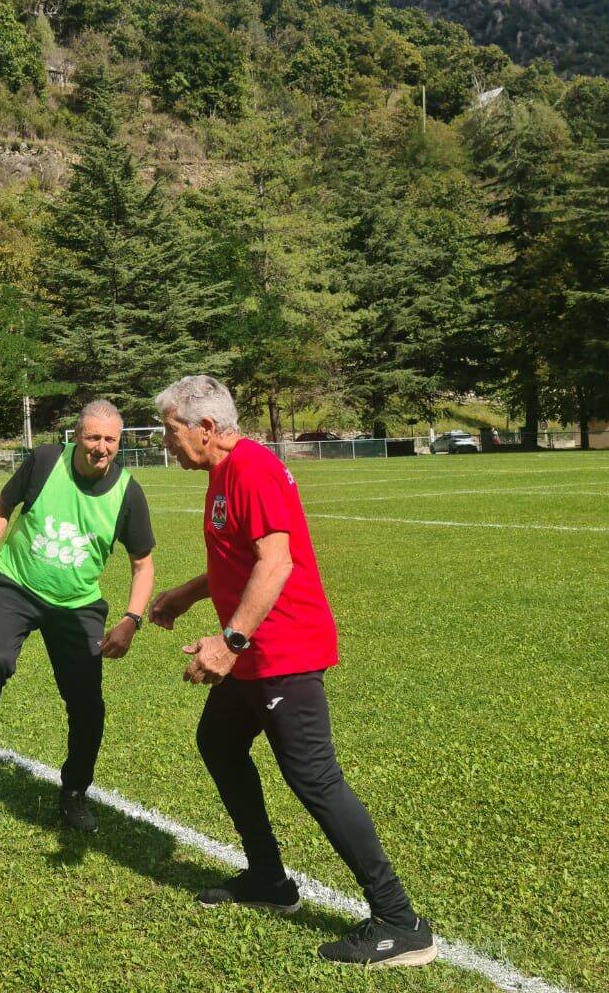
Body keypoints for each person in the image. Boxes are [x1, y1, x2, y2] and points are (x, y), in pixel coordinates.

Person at [148, 375, 436, 969]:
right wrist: (186, 595)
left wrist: (229, 642)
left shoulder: (251, 469)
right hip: (254, 654)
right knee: (219, 742)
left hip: (284, 651)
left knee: (315, 779)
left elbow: (275, 564)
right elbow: (239, 558)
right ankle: (269, 878)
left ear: (206, 428)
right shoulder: (222, 473)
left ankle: (400, 921)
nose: (166, 442)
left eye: (171, 431)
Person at [0, 400, 155, 832]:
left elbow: (143, 564)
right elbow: (2, 506)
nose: (101, 447)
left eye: (110, 439)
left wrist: (131, 619)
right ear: (77, 435)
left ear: (119, 442)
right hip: (18, 585)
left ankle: (74, 791)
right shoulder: (45, 461)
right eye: (93, 437)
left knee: (88, 706)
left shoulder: (128, 492)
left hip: (78, 605)